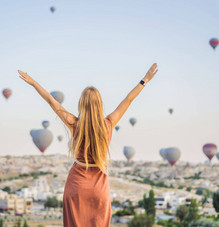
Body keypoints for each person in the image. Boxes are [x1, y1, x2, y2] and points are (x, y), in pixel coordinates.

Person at [18, 63, 158, 226]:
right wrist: (145, 80)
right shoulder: (109, 123)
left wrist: (34, 82)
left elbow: (51, 101)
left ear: (81, 104)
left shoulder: (74, 124)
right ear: (99, 104)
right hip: (99, 188)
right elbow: (128, 99)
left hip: (77, 185)